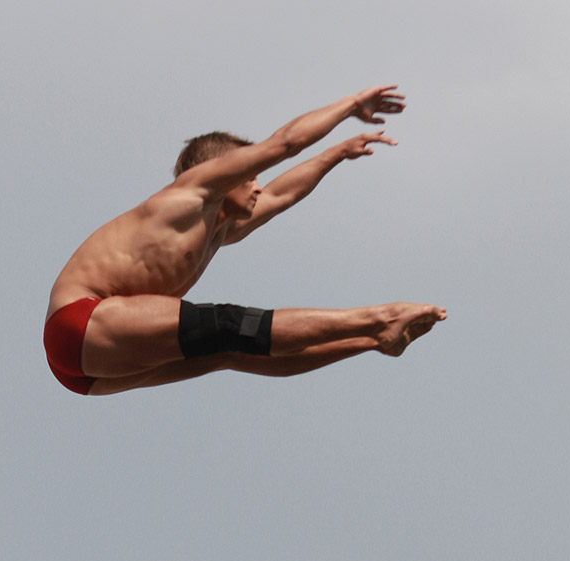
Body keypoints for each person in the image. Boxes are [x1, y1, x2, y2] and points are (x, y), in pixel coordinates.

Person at [44, 84, 446, 395]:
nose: (258, 187)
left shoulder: (220, 228)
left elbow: (282, 194)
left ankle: (374, 338)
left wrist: (336, 154)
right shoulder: (191, 196)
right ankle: (380, 316)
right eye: (250, 175)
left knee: (232, 351)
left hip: (89, 373)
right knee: (229, 324)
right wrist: (350, 105)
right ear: (224, 171)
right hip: (79, 322)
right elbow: (285, 144)